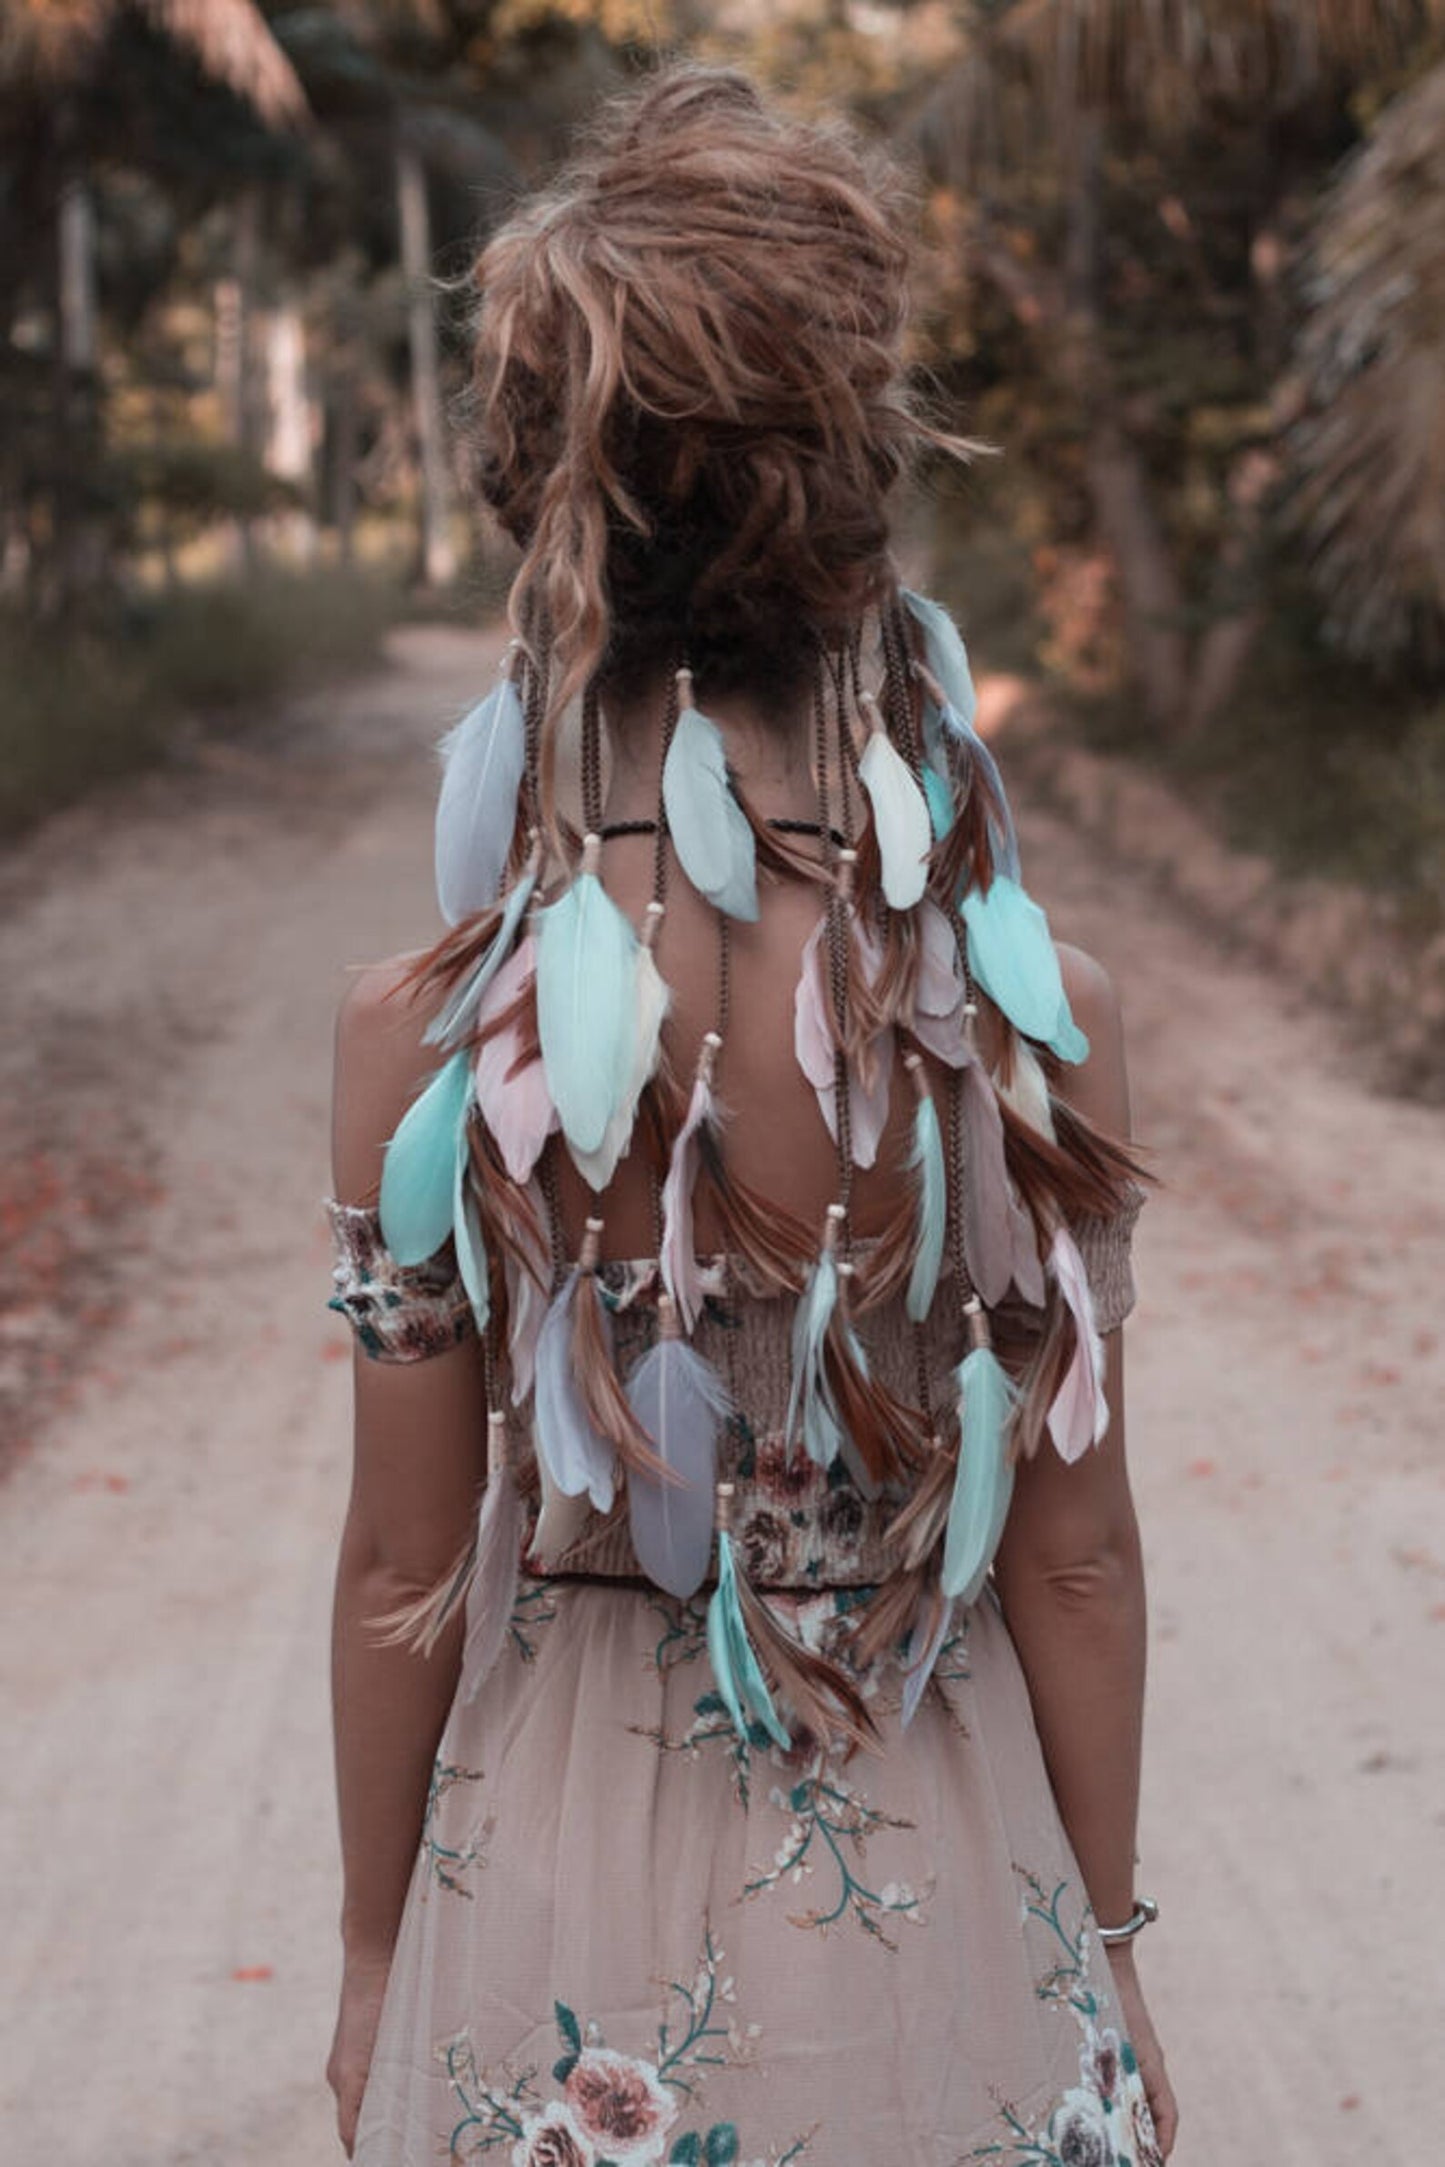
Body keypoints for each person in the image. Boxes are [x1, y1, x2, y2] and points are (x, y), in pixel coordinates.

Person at [324, 63, 1179, 2167]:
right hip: (943, 1896)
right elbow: (1073, 1563)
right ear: (857, 479)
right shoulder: (1022, 1022)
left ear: (542, 496)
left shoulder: (424, 1034)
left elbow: (402, 1561)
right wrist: (1112, 1950)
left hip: (547, 1903)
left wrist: (368, 1955)